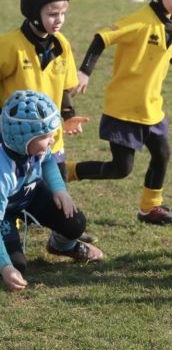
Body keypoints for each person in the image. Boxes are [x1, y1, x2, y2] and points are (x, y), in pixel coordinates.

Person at [67, 0, 172, 225]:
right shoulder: (140, 21)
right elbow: (101, 37)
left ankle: (150, 208)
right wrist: (84, 71)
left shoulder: (169, 23)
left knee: (162, 153)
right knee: (120, 169)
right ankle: (66, 172)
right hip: (125, 109)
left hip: (151, 108)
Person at [0, 0, 95, 243]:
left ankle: (63, 241)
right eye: (53, 13)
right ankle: (9, 233)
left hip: (52, 141)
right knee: (13, 188)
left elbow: (64, 86)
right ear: (32, 10)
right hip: (16, 141)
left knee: (58, 191)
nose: (59, 20)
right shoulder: (8, 46)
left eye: (63, 13)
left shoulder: (61, 44)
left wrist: (69, 115)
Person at [0, 91, 104, 292]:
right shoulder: (3, 171)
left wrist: (59, 189)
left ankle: (62, 246)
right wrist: (6, 267)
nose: (51, 141)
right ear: (22, 138)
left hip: (31, 196)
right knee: (17, 267)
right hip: (5, 213)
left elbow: (47, 159)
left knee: (75, 223)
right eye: (45, 136)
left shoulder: (28, 144)